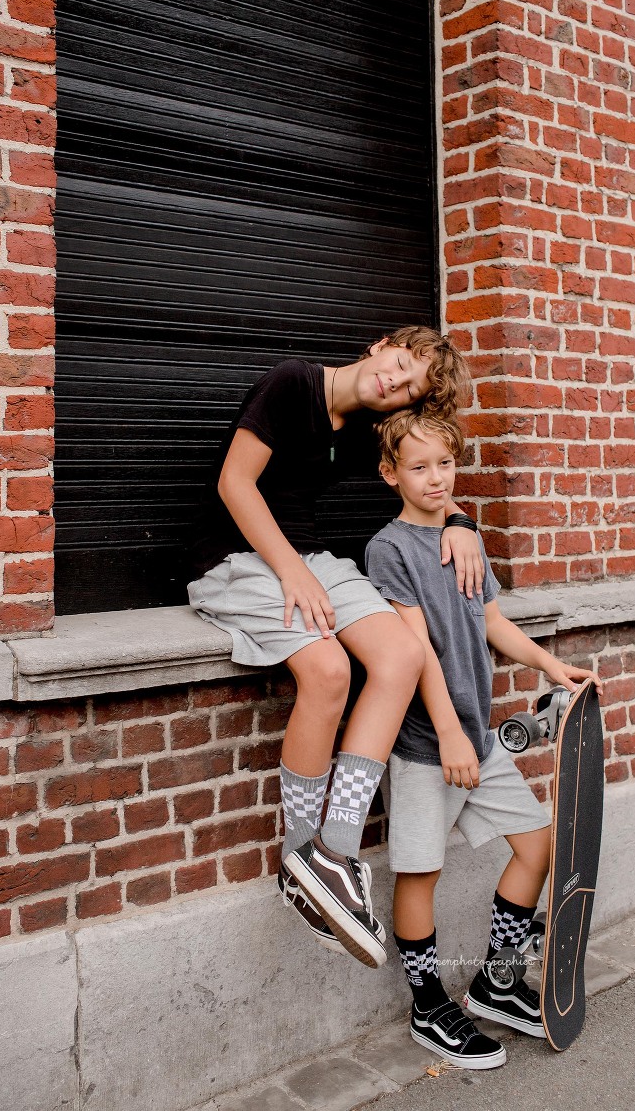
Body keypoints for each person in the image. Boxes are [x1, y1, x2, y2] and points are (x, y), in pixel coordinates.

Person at [188, 327, 482, 968]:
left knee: (402, 654)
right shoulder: (293, 382)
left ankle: (335, 853)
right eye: (400, 365)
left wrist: (460, 522)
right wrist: (291, 571)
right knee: (326, 670)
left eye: (408, 389)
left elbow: (425, 462)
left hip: (309, 559)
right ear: (382, 346)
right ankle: (300, 856)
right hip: (238, 559)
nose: (395, 383)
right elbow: (235, 484)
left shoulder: (368, 426)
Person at [365, 409, 602, 1065]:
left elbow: (491, 619)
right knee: (420, 874)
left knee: (538, 848)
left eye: (445, 463)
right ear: (390, 475)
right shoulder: (388, 550)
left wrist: (549, 665)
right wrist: (447, 735)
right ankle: (428, 1006)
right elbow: (414, 652)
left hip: (481, 737)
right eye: (419, 467)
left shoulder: (465, 539)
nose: (436, 478)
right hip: (425, 747)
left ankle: (497, 982)